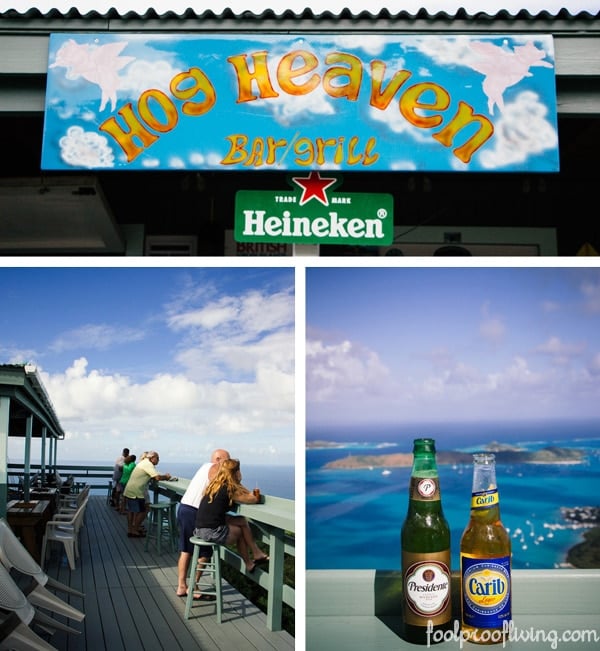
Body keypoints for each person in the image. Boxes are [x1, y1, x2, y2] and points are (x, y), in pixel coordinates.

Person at [194, 458, 269, 574]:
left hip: (199, 528)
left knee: (241, 520)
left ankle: (255, 555)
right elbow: (253, 499)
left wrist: (237, 483)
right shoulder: (229, 489)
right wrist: (240, 482)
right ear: (235, 472)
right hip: (211, 531)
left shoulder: (215, 486)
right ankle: (252, 558)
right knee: (240, 532)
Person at [176, 448, 230, 599]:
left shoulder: (204, 467)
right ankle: (193, 586)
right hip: (195, 512)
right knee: (205, 552)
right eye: (228, 460)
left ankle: (182, 586)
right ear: (219, 460)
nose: (229, 464)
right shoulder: (215, 468)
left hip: (184, 507)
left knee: (186, 549)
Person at [123, 450, 171, 537]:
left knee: (131, 510)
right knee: (145, 509)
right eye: (157, 458)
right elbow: (157, 477)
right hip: (136, 491)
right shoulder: (148, 464)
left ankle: (131, 529)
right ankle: (135, 530)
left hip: (130, 488)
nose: (158, 460)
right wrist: (166, 477)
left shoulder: (143, 463)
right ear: (152, 458)